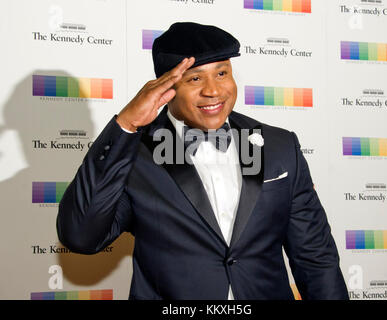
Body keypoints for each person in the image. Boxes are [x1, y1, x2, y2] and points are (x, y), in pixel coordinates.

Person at [57, 22, 348, 300]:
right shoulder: (135, 154)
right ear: (165, 88)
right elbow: (81, 236)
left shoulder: (279, 146)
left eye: (222, 73)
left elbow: (315, 256)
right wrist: (126, 125)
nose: (213, 90)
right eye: (195, 78)